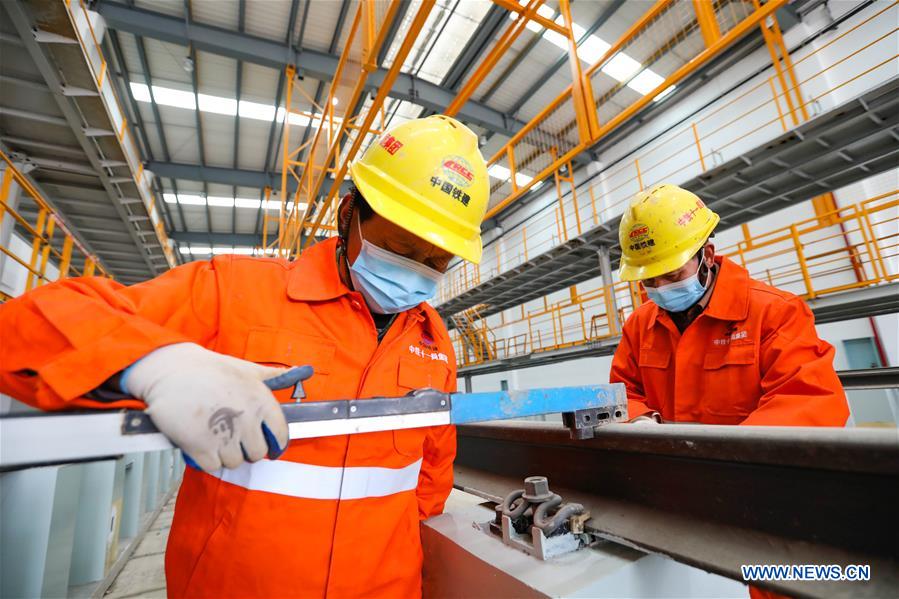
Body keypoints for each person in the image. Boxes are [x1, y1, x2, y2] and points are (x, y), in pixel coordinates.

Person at [0, 115, 489, 597]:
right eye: (401, 248)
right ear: (347, 215)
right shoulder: (235, 292)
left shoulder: (434, 343)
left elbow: (430, 479)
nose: (415, 271)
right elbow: (24, 327)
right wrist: (151, 365)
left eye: (436, 261)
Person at [610, 183, 849, 427]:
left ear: (707, 256)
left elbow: (807, 399)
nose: (660, 287)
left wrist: (733, 447)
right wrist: (640, 420)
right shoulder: (639, 325)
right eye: (649, 280)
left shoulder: (775, 312)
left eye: (672, 275)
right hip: (666, 453)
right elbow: (622, 393)